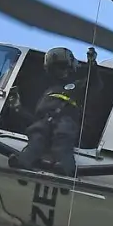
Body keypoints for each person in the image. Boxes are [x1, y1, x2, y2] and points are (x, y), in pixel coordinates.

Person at [12, 47, 96, 177]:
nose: (61, 72)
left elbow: (94, 83)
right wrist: (19, 109)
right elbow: (35, 119)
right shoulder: (49, 91)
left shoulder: (78, 86)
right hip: (45, 121)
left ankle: (65, 167)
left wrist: (92, 63)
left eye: (63, 68)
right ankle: (23, 160)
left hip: (65, 121)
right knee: (36, 140)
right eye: (57, 69)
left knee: (63, 141)